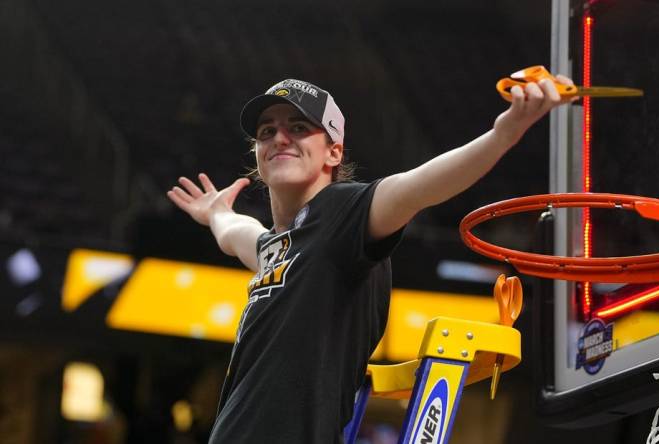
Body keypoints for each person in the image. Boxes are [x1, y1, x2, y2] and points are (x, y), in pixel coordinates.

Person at [166, 75, 575, 443]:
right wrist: (217, 214)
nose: (279, 138)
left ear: (333, 153)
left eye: (298, 127)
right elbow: (239, 235)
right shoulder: (278, 247)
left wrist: (503, 134)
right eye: (267, 131)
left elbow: (420, 186)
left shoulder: (341, 212)